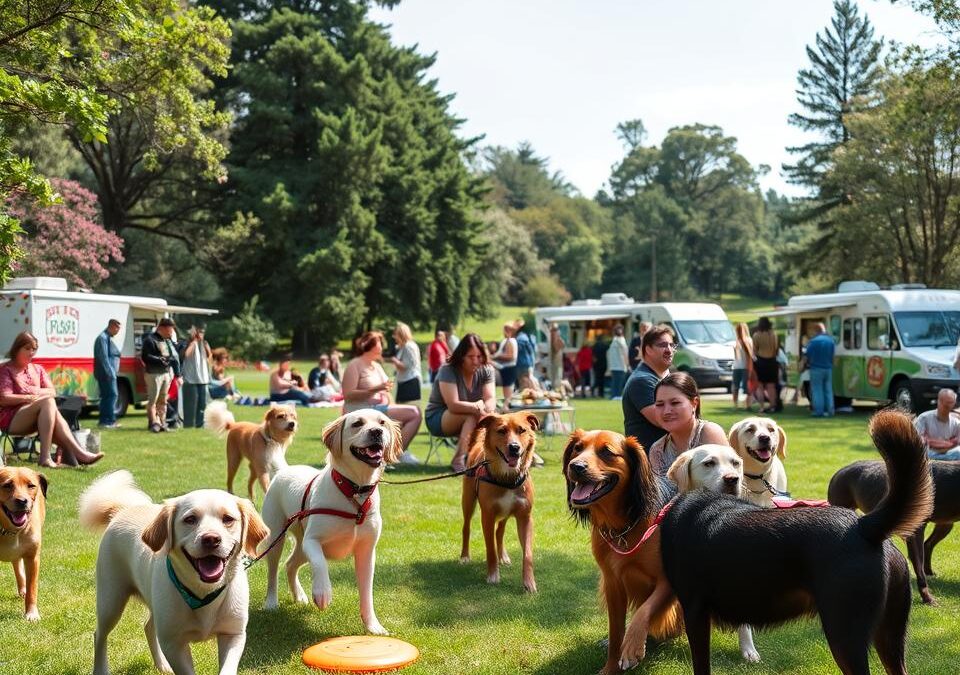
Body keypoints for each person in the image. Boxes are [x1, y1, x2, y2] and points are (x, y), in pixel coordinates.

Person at [0, 331, 104, 468]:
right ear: (17, 349)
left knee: (50, 405)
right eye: (27, 348)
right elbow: (4, 398)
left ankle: (76, 456)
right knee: (48, 402)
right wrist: (28, 398)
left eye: (34, 349)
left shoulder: (38, 369)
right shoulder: (6, 369)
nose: (31, 353)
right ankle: (51, 457)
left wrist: (33, 391)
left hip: (36, 419)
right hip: (10, 419)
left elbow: (52, 391)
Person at [342, 331, 422, 460]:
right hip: (362, 410)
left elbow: (386, 389)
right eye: (379, 344)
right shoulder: (354, 365)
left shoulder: (377, 366)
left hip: (379, 409)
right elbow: (348, 395)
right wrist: (375, 389)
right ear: (369, 346)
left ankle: (394, 452)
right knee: (414, 413)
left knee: (412, 413)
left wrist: (391, 402)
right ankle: (393, 456)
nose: (382, 347)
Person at [424, 333, 496, 472]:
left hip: (474, 414)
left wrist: (486, 411)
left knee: (496, 420)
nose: (475, 361)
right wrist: (477, 407)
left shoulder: (487, 369)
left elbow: (490, 399)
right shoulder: (448, 369)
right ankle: (458, 459)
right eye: (470, 357)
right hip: (438, 417)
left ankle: (507, 457)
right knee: (471, 416)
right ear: (461, 356)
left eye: (479, 356)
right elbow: (453, 405)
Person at [648, 372, 728, 477]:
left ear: (694, 403)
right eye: (660, 404)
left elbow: (726, 480)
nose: (666, 411)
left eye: (675, 403)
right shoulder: (657, 450)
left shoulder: (708, 433)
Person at [622, 324, 676, 452]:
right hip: (650, 459)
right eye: (663, 345)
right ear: (648, 350)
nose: (669, 350)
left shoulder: (665, 377)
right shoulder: (642, 380)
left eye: (672, 345)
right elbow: (663, 420)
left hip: (668, 454)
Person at [141, 317, 180, 433]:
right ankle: (154, 423)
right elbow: (145, 356)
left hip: (165, 373)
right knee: (153, 400)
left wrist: (176, 373)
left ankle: (162, 423)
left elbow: (172, 357)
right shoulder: (150, 340)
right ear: (162, 328)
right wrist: (159, 359)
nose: (171, 333)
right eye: (170, 330)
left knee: (163, 401)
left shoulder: (167, 341)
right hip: (154, 374)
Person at [180, 325, 212, 428]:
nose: (200, 334)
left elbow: (209, 355)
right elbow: (186, 355)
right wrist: (193, 342)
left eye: (202, 332)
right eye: (199, 332)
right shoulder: (187, 343)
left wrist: (203, 343)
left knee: (202, 404)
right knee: (191, 404)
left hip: (202, 379)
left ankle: (199, 424)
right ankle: (189, 424)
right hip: (190, 379)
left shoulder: (204, 343)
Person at [914, 389, 960, 461]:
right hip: (929, 454)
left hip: (949, 454)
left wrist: (930, 441)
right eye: (944, 403)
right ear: (938, 401)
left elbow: (958, 441)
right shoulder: (924, 418)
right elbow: (919, 441)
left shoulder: (956, 422)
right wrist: (947, 444)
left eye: (950, 403)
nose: (947, 406)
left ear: (953, 404)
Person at [93, 318, 122, 429]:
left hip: (107, 373)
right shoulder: (102, 338)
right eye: (117, 329)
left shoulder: (107, 338)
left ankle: (105, 421)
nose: (117, 331)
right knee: (112, 395)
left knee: (107, 396)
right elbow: (104, 358)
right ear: (112, 326)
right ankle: (108, 421)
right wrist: (111, 373)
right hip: (106, 374)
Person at [805, 322, 835, 418]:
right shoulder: (831, 341)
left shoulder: (813, 342)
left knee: (817, 390)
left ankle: (819, 411)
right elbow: (833, 356)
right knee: (828, 390)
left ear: (816, 330)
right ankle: (830, 410)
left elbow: (807, 355)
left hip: (816, 368)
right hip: (828, 369)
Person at [389, 322, 422, 404]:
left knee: (405, 408)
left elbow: (406, 366)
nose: (394, 337)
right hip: (404, 381)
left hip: (409, 382)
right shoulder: (403, 346)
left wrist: (394, 360)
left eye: (396, 334)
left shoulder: (409, 346)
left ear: (401, 334)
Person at [752, 317, 780, 413]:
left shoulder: (756, 335)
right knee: (771, 386)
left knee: (760, 386)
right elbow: (776, 349)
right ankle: (772, 406)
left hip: (761, 361)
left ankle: (761, 407)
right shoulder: (773, 335)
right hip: (772, 361)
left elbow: (755, 350)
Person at [491, 322, 519, 406]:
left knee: (507, 391)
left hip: (509, 368)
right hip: (506, 368)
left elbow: (510, 356)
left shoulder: (510, 341)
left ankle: (507, 407)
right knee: (506, 390)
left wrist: (496, 356)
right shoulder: (507, 340)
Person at [731, 322, 754, 410]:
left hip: (737, 367)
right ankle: (748, 405)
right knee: (747, 387)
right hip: (745, 367)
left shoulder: (736, 342)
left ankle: (736, 405)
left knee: (736, 387)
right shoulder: (748, 340)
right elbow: (750, 357)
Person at [607, 324, 629, 400]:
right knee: (616, 382)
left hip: (620, 365)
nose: (619, 331)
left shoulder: (620, 340)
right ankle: (615, 396)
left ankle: (616, 395)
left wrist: (626, 364)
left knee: (618, 382)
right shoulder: (616, 340)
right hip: (616, 365)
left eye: (620, 329)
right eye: (617, 329)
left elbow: (625, 353)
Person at [514, 320, 537, 391]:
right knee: (529, 379)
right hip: (529, 362)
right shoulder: (530, 336)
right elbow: (532, 350)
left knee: (523, 381)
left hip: (521, 363)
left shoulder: (519, 338)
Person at [549, 325, 565, 392]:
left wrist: (556, 338)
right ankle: (555, 391)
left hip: (557, 363)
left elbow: (559, 347)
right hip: (553, 362)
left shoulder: (558, 339)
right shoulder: (551, 339)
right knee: (554, 379)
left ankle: (557, 391)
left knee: (557, 379)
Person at [592, 333, 608, 398]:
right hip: (603, 364)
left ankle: (594, 389)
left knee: (597, 378)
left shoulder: (594, 346)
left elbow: (593, 356)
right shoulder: (604, 346)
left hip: (596, 364)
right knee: (602, 379)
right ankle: (601, 393)